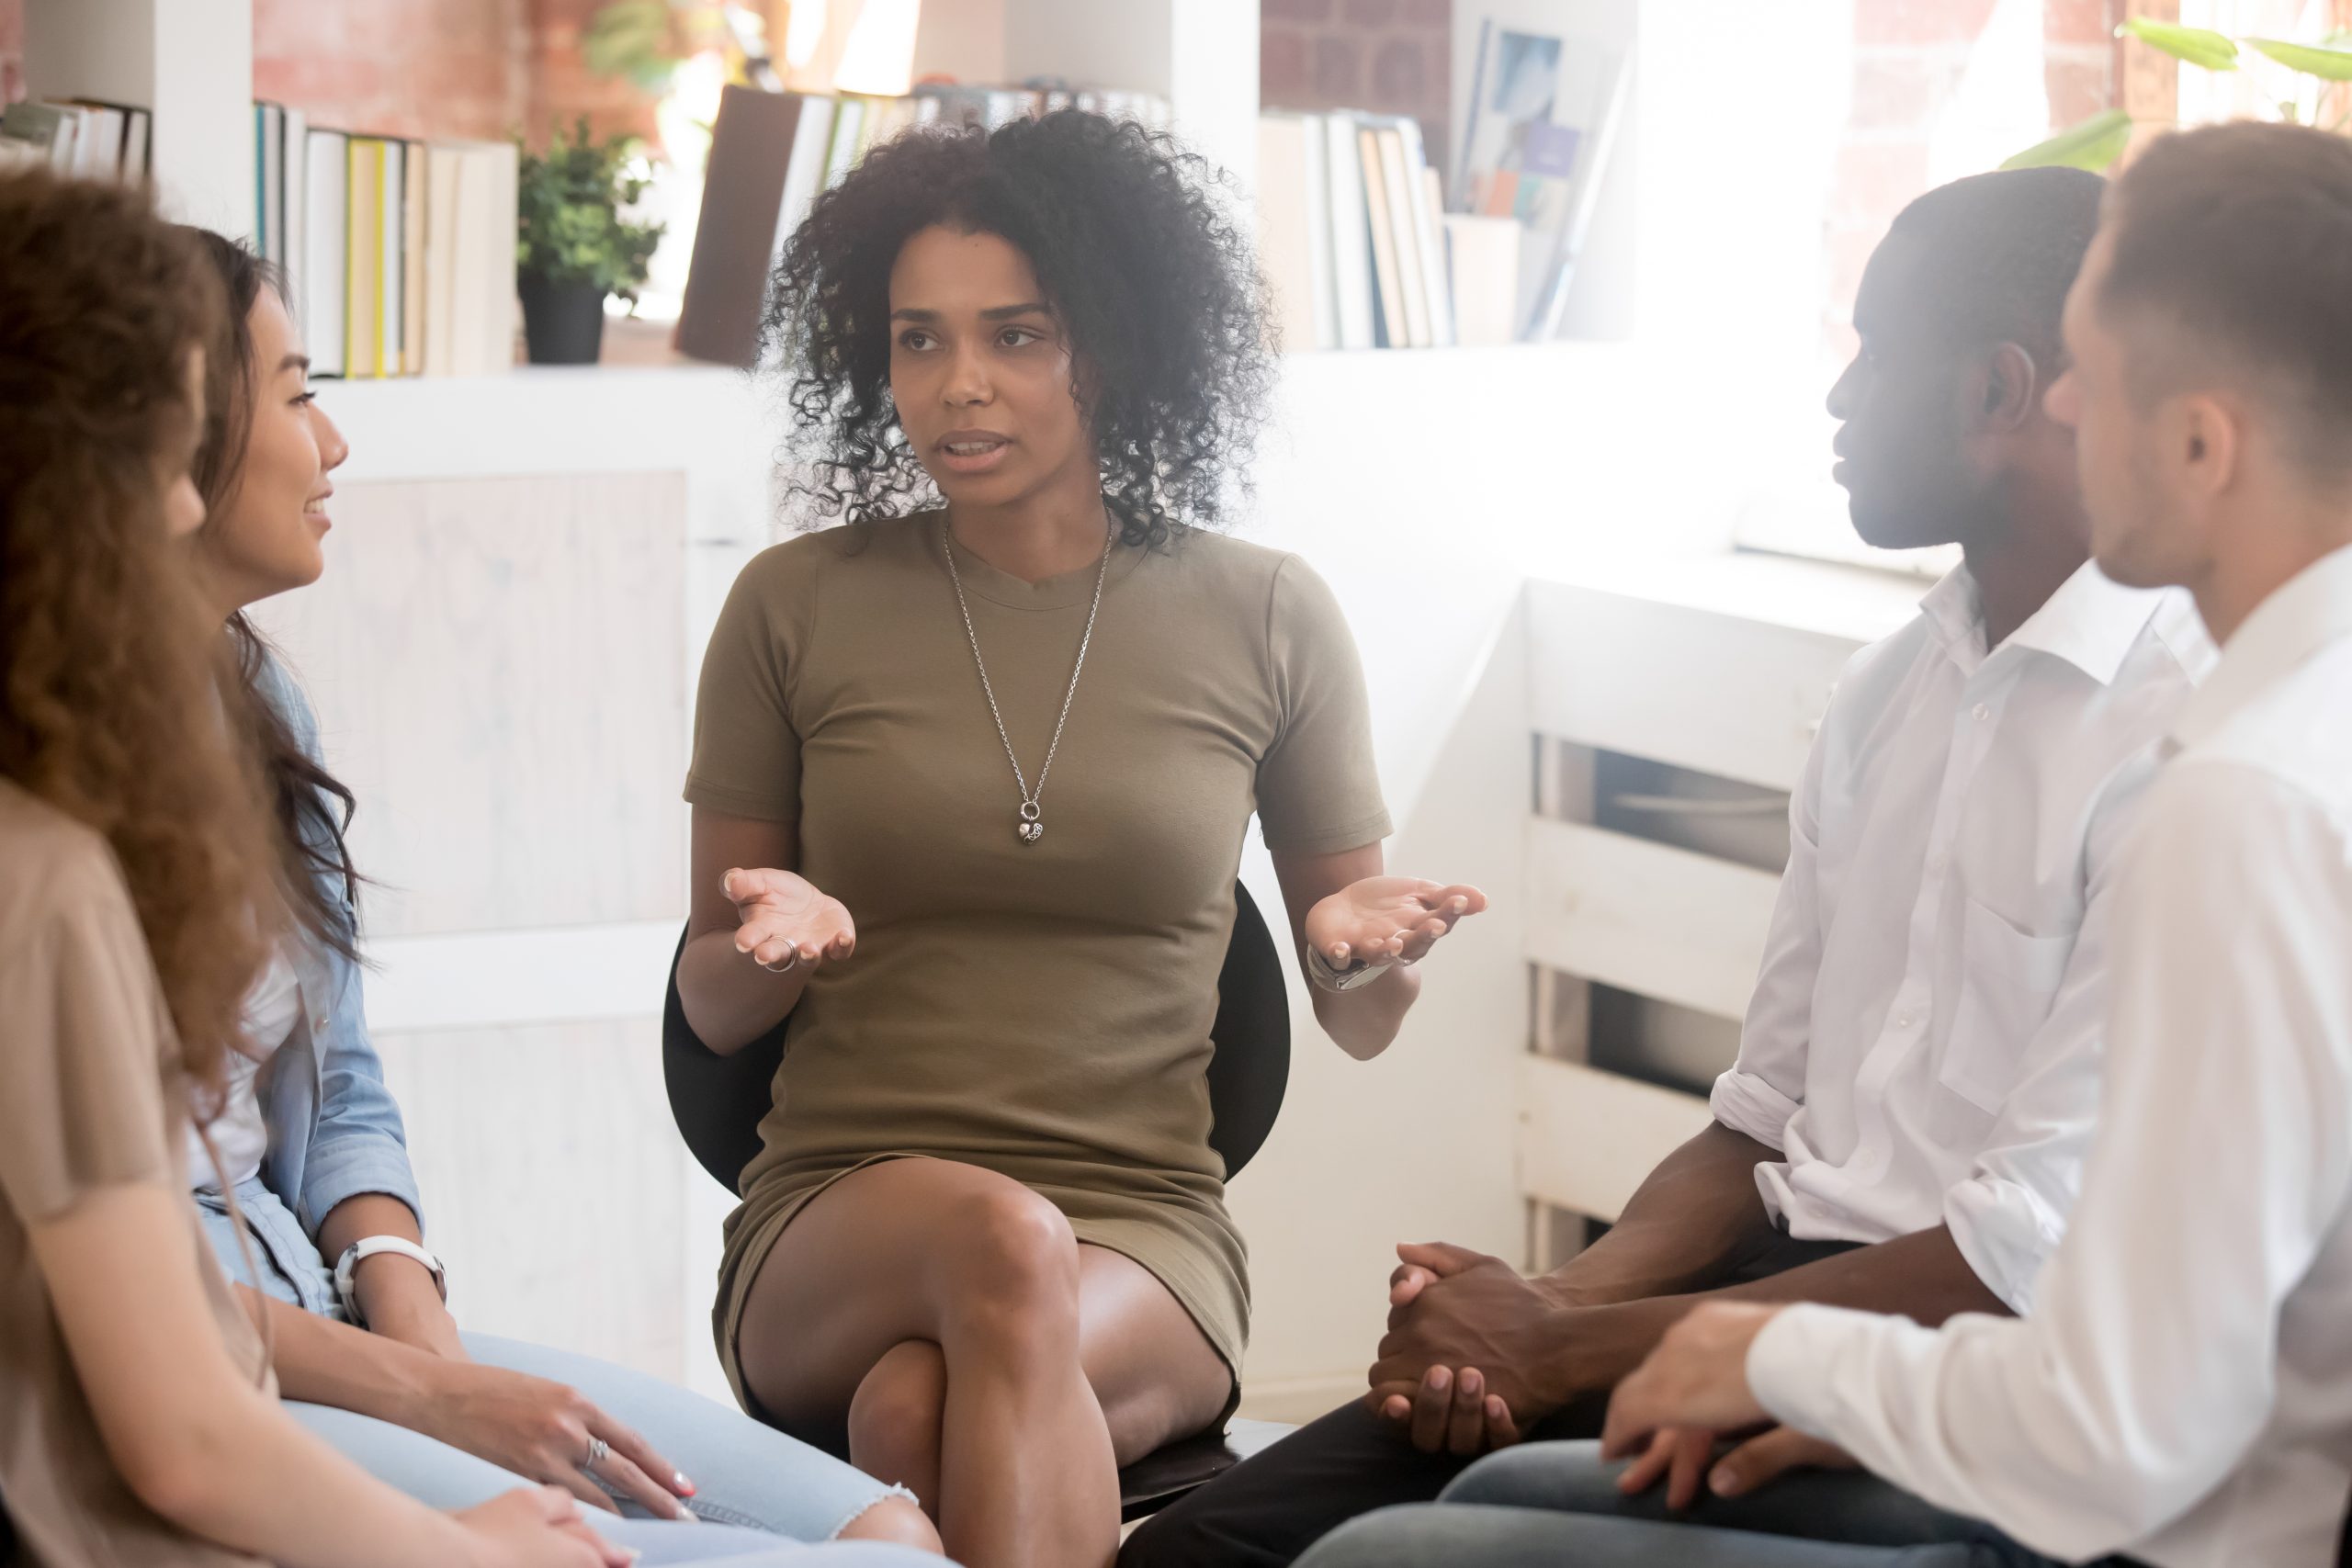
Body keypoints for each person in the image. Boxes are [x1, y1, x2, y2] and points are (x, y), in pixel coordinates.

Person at [1125, 165, 2216, 1568]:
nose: (1837, 397)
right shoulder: (1890, 693)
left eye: (1874, 351)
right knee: (1192, 1555)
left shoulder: (2186, 742)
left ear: (2001, 394)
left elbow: (2020, 1269)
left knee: (1398, 1555)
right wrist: (1535, 1311)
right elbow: (1755, 1125)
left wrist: (1567, 1347)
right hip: (1764, 1282)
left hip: (1956, 1367)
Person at [0, 168, 924, 1568]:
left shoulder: (255, 715)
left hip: (323, 1312)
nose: (335, 441)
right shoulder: (44, 866)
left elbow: (345, 1081)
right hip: (225, 1370)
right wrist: (433, 1408)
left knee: (890, 1533)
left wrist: (408, 1300)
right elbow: (153, 1381)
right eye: (294, 391)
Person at [675, 109, 1487, 1568]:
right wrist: (767, 948)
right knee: (999, 1244)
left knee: (922, 1414)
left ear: (1110, 345)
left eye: (1016, 336)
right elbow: (708, 1005)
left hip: (1143, 1227)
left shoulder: (1270, 613)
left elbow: (1363, 1025)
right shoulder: (791, 607)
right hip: (838, 1214)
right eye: (918, 341)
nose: (958, 386)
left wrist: (1357, 956)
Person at [1566, 118, 2352, 1568]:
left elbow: (2129, 1426)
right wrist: (1881, 1387)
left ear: (2197, 440)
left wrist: (1786, 1363)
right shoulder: (2280, 734)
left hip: (2180, 1524)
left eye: (2090, 385)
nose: (2060, 418)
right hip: (2069, 1429)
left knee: (1411, 1552)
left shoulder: (2243, 796)